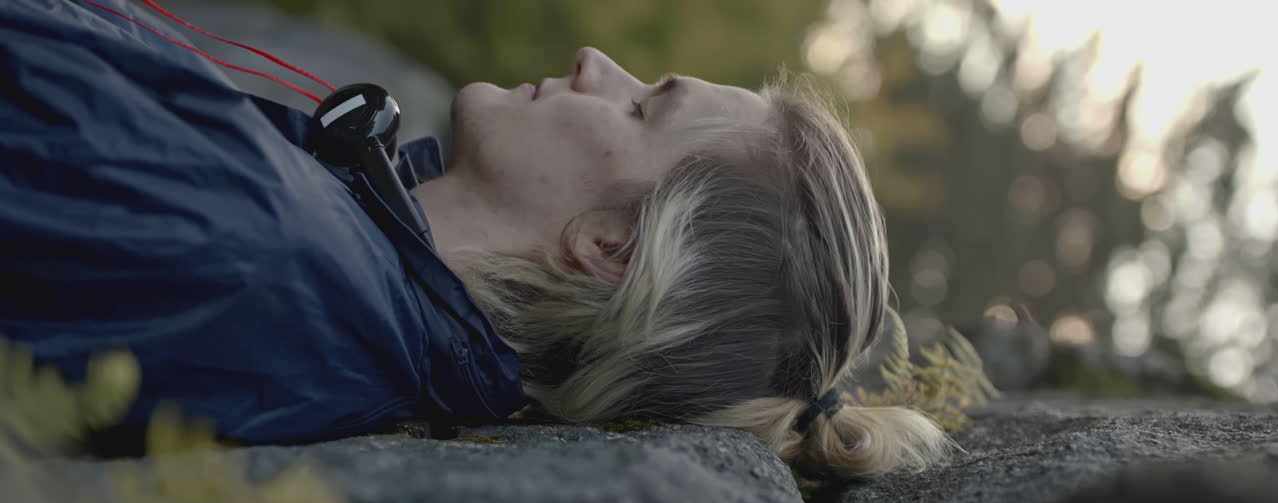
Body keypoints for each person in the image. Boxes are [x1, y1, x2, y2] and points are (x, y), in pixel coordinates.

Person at [0, 0, 950, 475]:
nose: (594, 63)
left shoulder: (252, 248)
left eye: (642, 103)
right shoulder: (323, 237)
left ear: (609, 248)